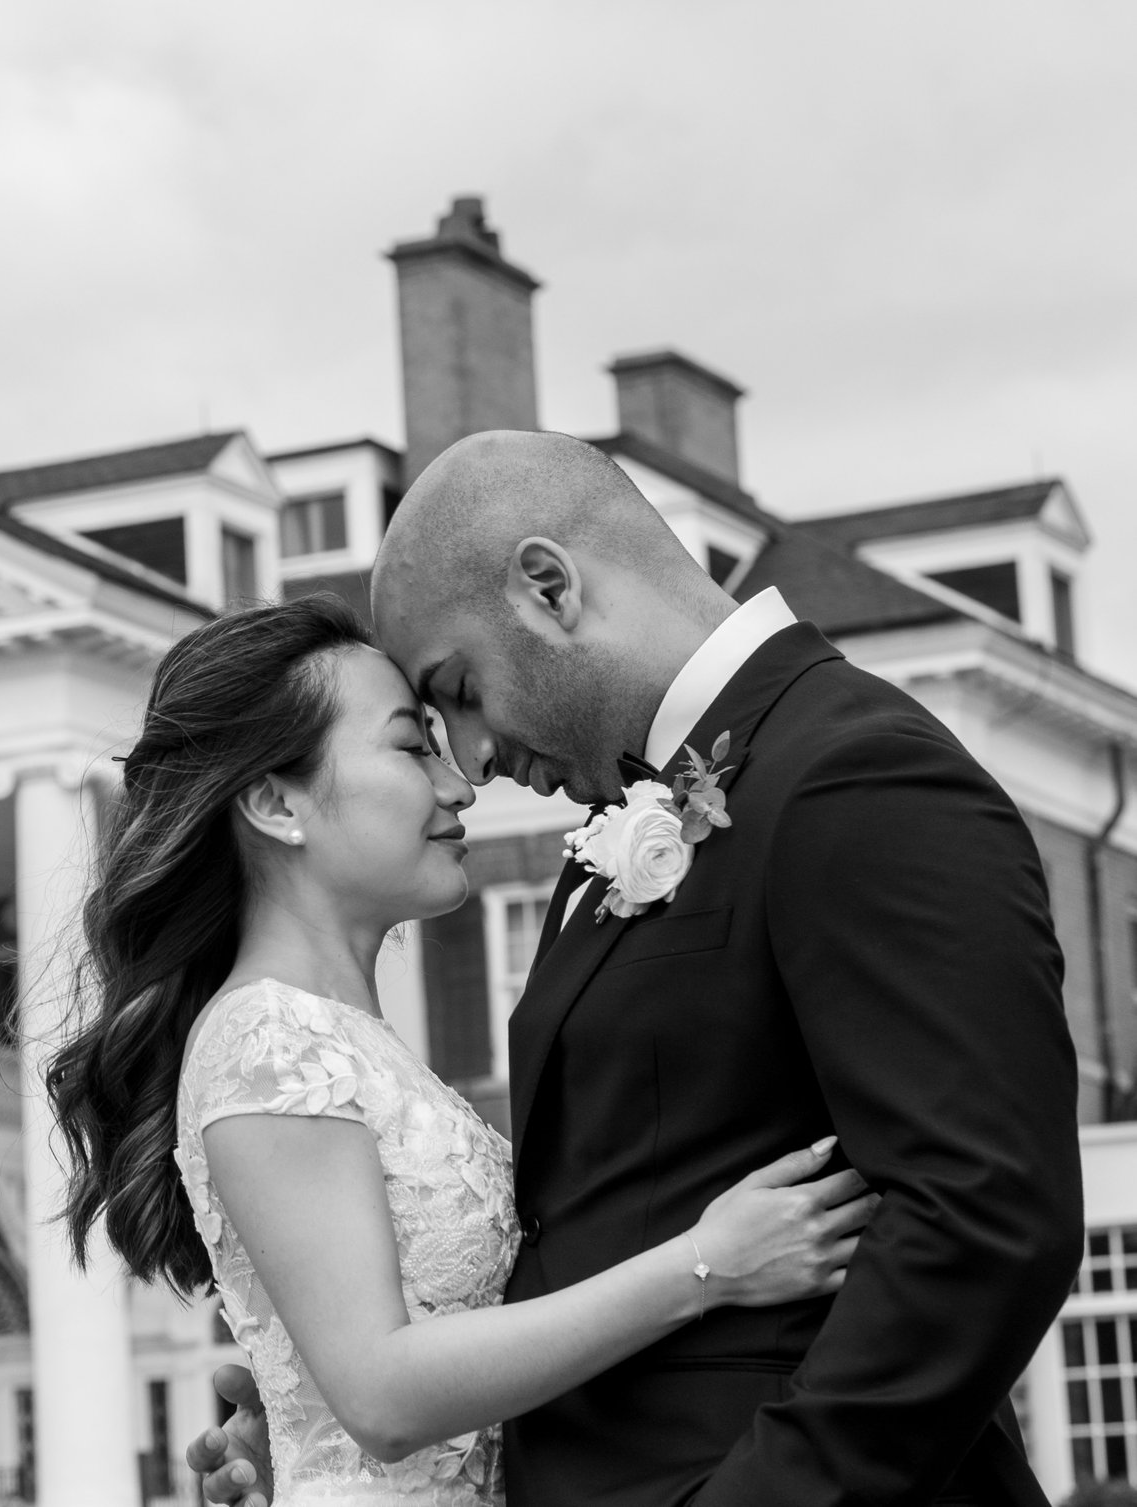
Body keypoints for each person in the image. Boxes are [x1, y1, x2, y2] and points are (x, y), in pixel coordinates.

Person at [174, 431, 1083, 1506]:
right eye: (424, 731)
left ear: (548, 586)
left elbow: (980, 1219)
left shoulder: (854, 772)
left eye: (457, 690)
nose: (471, 759)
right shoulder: (621, 825)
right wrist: (311, 1420)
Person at [50, 586, 876, 1505]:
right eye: (411, 747)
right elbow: (384, 1390)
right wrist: (704, 1265)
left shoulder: (349, 1042)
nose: (458, 785)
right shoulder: (268, 1040)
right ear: (274, 801)